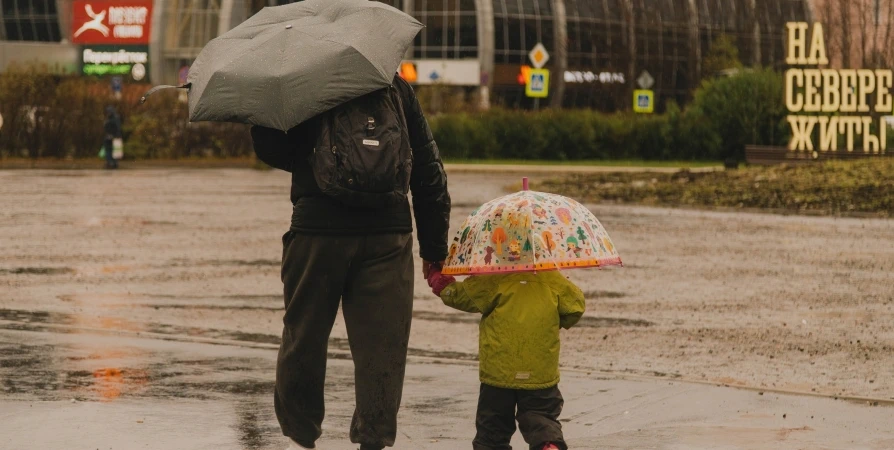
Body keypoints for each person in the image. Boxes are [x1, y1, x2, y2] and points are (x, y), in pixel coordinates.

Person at [251, 74, 451, 450]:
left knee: (303, 339)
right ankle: (373, 440)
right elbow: (427, 167)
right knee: (383, 348)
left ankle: (302, 435)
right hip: (387, 236)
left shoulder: (304, 81)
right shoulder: (394, 85)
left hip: (317, 233)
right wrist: (434, 249)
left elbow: (270, 149)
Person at [427, 268, 586, 450]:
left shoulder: (493, 277)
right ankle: (548, 444)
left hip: (498, 373)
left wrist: (441, 282)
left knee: (493, 428)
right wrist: (553, 322)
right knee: (541, 416)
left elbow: (461, 296)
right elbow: (576, 306)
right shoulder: (551, 278)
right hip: (540, 372)